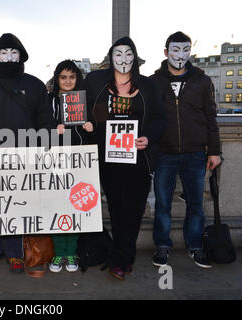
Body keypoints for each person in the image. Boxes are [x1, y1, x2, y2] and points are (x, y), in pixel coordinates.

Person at [0, 33, 56, 273]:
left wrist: (43, 150)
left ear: (21, 56)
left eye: (13, 53)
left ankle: (15, 252)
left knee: (18, 204)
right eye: (4, 53)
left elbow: (45, 119)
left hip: (25, 155)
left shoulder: (34, 85)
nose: (9, 57)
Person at [83, 37, 166, 280]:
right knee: (117, 211)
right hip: (109, 160)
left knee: (133, 210)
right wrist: (91, 125)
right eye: (118, 54)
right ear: (111, 58)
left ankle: (123, 260)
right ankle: (120, 254)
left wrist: (147, 137)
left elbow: (160, 119)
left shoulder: (148, 86)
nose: (123, 59)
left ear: (135, 57)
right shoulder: (98, 84)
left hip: (138, 161)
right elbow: (92, 113)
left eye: (128, 54)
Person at [150, 31, 221, 269]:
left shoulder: (203, 80)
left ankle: (195, 246)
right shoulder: (154, 81)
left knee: (196, 205)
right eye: (175, 50)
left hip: (195, 154)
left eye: (185, 50)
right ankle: (162, 245)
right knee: (162, 203)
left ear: (190, 51)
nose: (180, 55)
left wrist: (214, 150)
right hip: (164, 153)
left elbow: (211, 118)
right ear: (165, 52)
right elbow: (147, 117)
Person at [48, 60, 93, 273]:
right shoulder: (49, 100)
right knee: (57, 208)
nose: (67, 81)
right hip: (56, 161)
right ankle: (58, 252)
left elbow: (99, 126)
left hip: (81, 162)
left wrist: (90, 126)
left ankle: (71, 252)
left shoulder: (85, 100)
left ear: (77, 79)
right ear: (57, 79)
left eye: (72, 77)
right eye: (63, 77)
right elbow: (38, 123)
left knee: (76, 207)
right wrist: (51, 128)